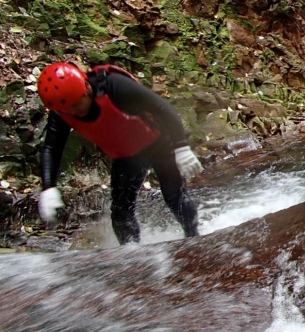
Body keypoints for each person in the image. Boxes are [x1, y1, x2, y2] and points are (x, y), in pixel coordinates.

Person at [36, 62, 203, 244]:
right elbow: (51, 148)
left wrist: (182, 147)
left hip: (159, 143)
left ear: (86, 88)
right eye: (66, 109)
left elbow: (163, 108)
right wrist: (48, 187)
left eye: (76, 105)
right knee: (121, 210)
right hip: (126, 155)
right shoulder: (63, 110)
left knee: (174, 196)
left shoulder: (115, 87)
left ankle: (194, 239)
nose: (74, 112)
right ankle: (131, 254)